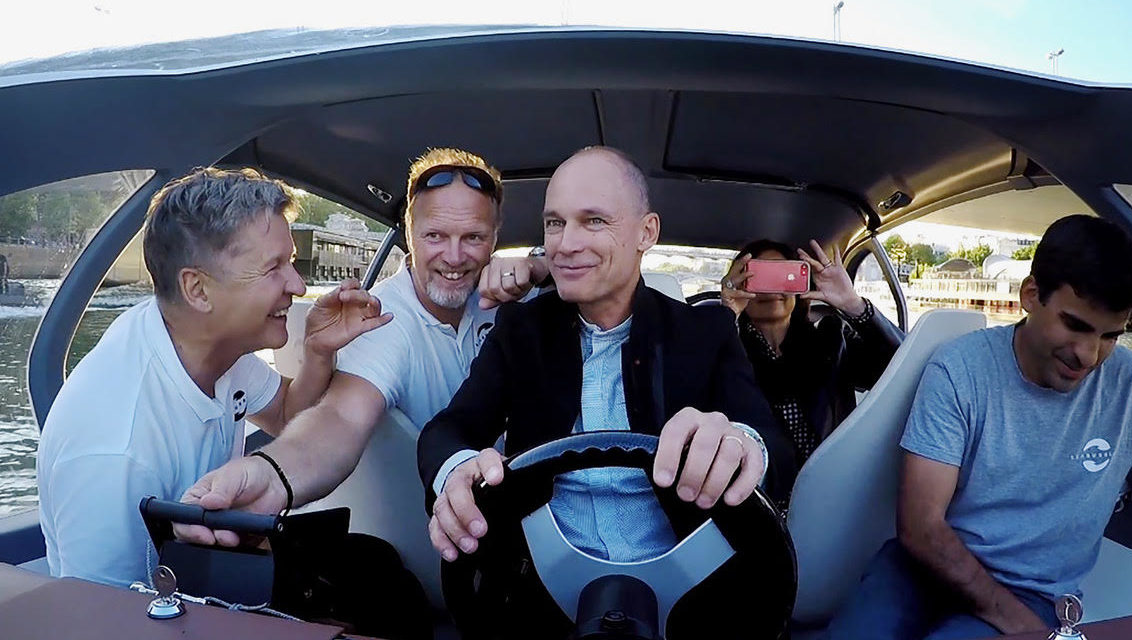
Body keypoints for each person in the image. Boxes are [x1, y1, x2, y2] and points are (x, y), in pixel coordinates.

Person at [824, 215, 1132, 640]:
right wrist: (1022, 628)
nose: (1089, 355)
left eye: (1110, 335)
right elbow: (921, 527)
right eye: (1075, 325)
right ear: (1030, 296)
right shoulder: (959, 369)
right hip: (919, 568)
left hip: (1036, 594)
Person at [421, 146, 796, 569]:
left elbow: (775, 446)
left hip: (687, 578)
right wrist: (457, 469)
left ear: (646, 233)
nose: (565, 245)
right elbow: (447, 430)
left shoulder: (705, 331)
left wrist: (740, 443)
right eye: (554, 224)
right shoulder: (519, 330)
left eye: (593, 221)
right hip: (537, 580)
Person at [36, 167, 390, 588]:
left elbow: (283, 414)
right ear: (198, 290)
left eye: (291, 262)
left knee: (377, 566)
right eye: (273, 267)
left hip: (207, 567)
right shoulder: (116, 447)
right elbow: (97, 617)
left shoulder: (210, 343)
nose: (297, 285)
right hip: (158, 610)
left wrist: (316, 351)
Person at [175, 147, 546, 536]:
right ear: (409, 235)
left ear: (496, 237)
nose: (454, 257)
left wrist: (540, 265)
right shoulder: (381, 320)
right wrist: (269, 476)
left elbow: (591, 275)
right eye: (435, 235)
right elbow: (340, 417)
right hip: (436, 534)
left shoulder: (524, 300)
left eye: (473, 237)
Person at [721, 238, 899, 472]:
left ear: (799, 284)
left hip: (833, 481)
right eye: (758, 277)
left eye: (782, 276)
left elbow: (903, 367)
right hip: (756, 493)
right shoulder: (725, 348)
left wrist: (853, 304)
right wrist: (725, 317)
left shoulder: (832, 340)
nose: (772, 288)